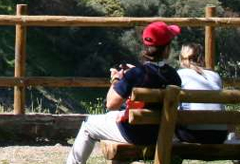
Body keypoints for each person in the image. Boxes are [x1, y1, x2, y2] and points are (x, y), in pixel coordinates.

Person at [66, 21, 183, 164]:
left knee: (88, 124)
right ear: (166, 50)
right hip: (160, 133)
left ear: (146, 48)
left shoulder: (136, 74)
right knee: (113, 117)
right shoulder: (174, 77)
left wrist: (116, 79)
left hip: (134, 134)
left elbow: (111, 104)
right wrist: (131, 74)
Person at [175, 43, 227, 144]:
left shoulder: (180, 74)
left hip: (193, 134)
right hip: (220, 135)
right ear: (202, 58)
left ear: (181, 59)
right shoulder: (215, 75)